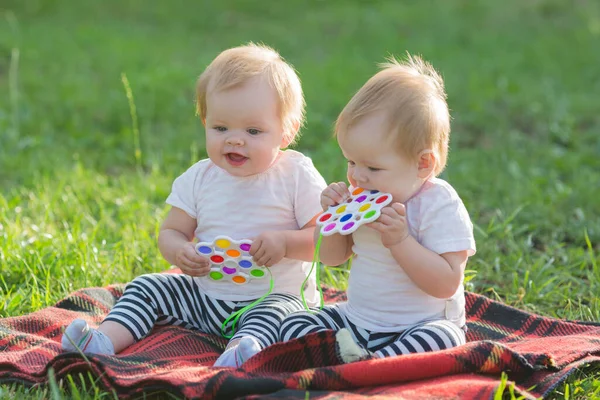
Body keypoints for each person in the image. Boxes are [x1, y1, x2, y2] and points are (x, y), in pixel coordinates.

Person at [61, 43, 326, 368]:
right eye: (220, 127)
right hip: (205, 298)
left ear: (286, 133)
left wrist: (286, 242)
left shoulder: (296, 175)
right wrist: (179, 252)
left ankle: (245, 351)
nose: (235, 139)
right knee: (147, 285)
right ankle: (101, 339)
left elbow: (325, 239)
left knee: (282, 314)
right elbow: (172, 230)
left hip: (271, 297)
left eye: (253, 130)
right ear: (204, 122)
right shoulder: (199, 177)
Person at [279, 53, 476, 363]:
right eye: (351, 162)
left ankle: (370, 362)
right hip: (357, 320)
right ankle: (361, 359)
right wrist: (331, 221)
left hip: (417, 326)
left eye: (372, 167)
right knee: (292, 324)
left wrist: (400, 241)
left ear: (422, 164)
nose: (357, 175)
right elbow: (332, 258)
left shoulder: (438, 204)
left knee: (445, 338)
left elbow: (446, 283)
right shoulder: (360, 196)